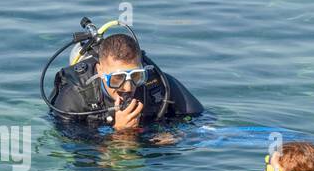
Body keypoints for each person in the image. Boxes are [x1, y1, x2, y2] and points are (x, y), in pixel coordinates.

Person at [48, 32, 203, 132]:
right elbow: (71, 144)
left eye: (135, 76)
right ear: (101, 72)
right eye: (117, 78)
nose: (128, 87)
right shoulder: (75, 94)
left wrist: (173, 133)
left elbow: (201, 120)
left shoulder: (158, 83)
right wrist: (120, 132)